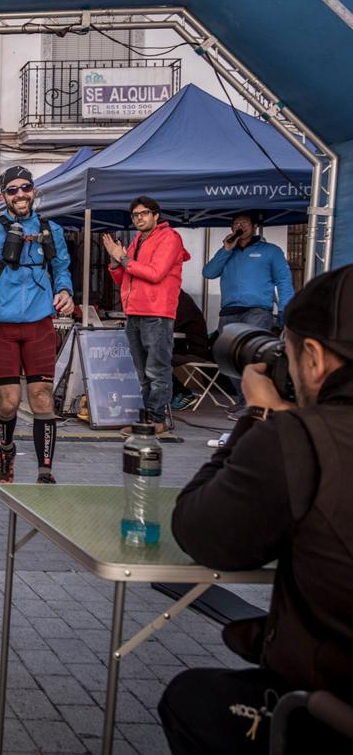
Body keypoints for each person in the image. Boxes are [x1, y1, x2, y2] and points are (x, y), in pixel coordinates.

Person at [158, 264, 353, 755]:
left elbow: (202, 533)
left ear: (313, 357)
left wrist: (261, 417)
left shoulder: (303, 440)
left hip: (330, 702)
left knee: (191, 699)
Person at [0, 165, 74, 484]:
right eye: (13, 190)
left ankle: (45, 471)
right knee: (8, 401)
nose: (20, 194)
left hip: (39, 325)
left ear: (34, 191)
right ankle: (6, 449)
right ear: (3, 195)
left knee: (43, 395)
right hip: (1, 328)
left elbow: (62, 268)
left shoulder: (52, 230)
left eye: (26, 188)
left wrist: (65, 291)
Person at [103, 196, 189, 434]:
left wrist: (122, 258)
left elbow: (155, 273)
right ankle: (147, 418)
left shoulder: (170, 238)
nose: (139, 218)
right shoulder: (138, 240)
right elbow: (123, 278)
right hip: (134, 312)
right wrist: (114, 260)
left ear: (156, 215)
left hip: (157, 312)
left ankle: (157, 420)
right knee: (143, 373)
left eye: (144, 213)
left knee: (156, 370)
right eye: (135, 215)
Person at [201, 211, 295, 415]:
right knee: (226, 356)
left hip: (257, 310)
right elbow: (208, 273)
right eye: (235, 224)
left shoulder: (270, 251)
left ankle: (253, 401)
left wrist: (286, 311)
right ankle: (245, 399)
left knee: (248, 354)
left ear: (253, 227)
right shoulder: (227, 251)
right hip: (229, 311)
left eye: (243, 223)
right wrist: (226, 250)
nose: (239, 227)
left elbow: (284, 281)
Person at [169, 289, 212, 411]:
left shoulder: (182, 302)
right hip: (181, 347)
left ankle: (183, 393)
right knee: (150, 357)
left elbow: (170, 325)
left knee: (156, 359)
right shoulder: (180, 299)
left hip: (193, 351)